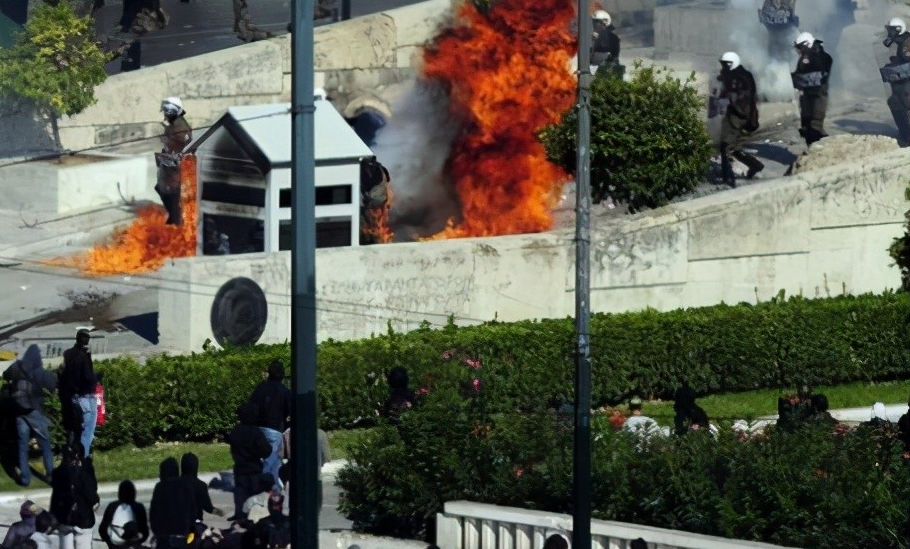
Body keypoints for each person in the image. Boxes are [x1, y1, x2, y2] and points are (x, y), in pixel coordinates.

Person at [3, 344, 57, 486]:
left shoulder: (17, 366)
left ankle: (25, 478)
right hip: (34, 412)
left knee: (22, 445)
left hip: (19, 412)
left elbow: (5, 375)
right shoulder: (39, 372)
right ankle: (51, 474)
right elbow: (53, 385)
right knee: (45, 443)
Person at [713, 51, 763, 186]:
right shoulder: (735, 75)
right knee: (733, 147)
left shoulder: (741, 77)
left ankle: (728, 178)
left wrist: (727, 101)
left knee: (726, 145)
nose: (723, 67)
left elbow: (744, 100)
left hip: (738, 116)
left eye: (725, 64)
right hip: (735, 114)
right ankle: (755, 165)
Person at [246, 360, 292, 491]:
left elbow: (251, 407)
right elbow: (290, 413)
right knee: (271, 463)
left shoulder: (260, 388)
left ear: (269, 373)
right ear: (282, 375)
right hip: (274, 431)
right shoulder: (285, 391)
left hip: (258, 429)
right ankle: (271, 491)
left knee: (260, 461)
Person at [227, 402, 272, 521]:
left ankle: (240, 514)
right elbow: (266, 450)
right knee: (255, 494)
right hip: (254, 467)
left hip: (240, 467)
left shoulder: (236, 431)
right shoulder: (256, 432)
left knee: (240, 493)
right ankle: (254, 517)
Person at [50, 443, 99, 549]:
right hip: (83, 519)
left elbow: (55, 498)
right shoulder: (85, 472)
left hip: (65, 519)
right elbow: (92, 496)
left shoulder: (58, 473)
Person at [59, 330, 98, 457]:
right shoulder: (83, 356)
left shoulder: (68, 354)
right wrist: (96, 378)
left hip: (73, 397)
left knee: (75, 431)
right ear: (85, 340)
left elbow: (64, 374)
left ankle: (73, 456)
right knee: (87, 432)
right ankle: (83, 458)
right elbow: (87, 376)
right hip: (86, 395)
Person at [791, 32, 833, 147]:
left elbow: (818, 77)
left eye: (801, 48)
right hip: (806, 95)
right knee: (806, 125)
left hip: (817, 95)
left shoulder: (822, 57)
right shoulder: (803, 59)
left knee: (815, 126)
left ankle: (820, 153)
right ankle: (812, 151)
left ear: (807, 45)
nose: (800, 51)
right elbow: (800, 75)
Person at [156, 97, 192, 226]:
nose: (165, 115)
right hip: (170, 164)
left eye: (167, 112)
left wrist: (169, 145)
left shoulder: (180, 125)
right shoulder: (175, 124)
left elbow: (185, 144)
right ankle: (174, 217)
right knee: (164, 190)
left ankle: (177, 221)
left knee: (173, 193)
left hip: (175, 166)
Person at [149, 457, 197, 549]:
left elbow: (154, 513)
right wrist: (191, 528)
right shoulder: (186, 485)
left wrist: (156, 533)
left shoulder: (160, 487)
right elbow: (192, 510)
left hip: (164, 536)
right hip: (182, 534)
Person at [881, 18, 910, 147]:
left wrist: (895, 66)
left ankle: (907, 138)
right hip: (899, 82)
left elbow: (907, 59)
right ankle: (904, 134)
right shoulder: (898, 41)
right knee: (894, 103)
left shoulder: (907, 41)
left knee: (903, 105)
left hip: (906, 81)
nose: (890, 32)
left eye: (892, 30)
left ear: (899, 29)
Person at [98, 480, 150, 549]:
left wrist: (110, 544)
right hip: (133, 544)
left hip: (116, 544)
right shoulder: (139, 507)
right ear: (133, 493)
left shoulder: (112, 506)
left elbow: (102, 530)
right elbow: (145, 532)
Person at [180, 453, 225, 521]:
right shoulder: (201, 485)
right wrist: (220, 512)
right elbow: (208, 508)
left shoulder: (173, 483)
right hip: (194, 523)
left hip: (176, 523)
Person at [590, 10, 622, 78]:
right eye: (594, 22)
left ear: (604, 23)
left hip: (606, 72)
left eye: (596, 22)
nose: (594, 24)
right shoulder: (591, 37)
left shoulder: (613, 39)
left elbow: (614, 57)